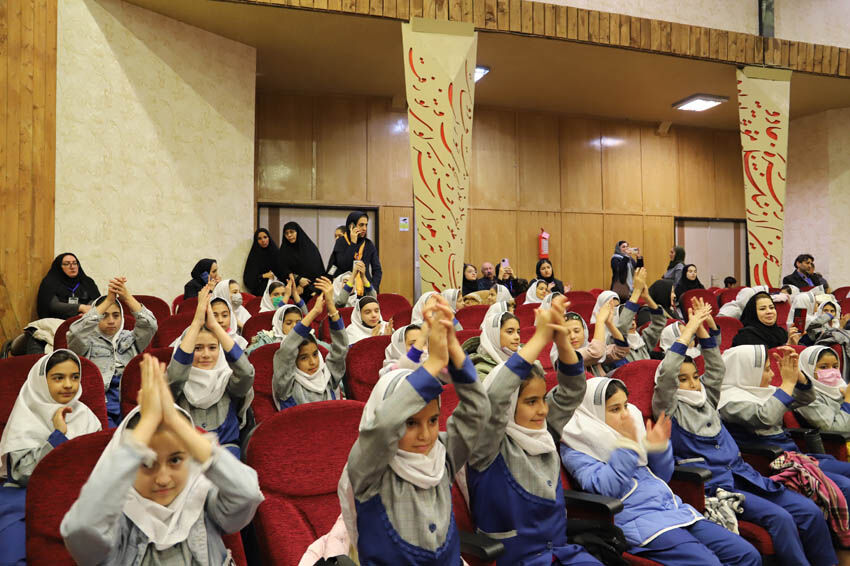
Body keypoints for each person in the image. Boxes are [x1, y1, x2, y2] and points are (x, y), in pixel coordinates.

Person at [654, 304, 837, 566]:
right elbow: (667, 375)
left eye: (695, 377)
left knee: (808, 510)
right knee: (781, 518)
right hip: (717, 486)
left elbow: (715, 369)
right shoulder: (669, 408)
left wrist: (703, 331)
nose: (693, 384)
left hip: (745, 475)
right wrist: (690, 329)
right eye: (684, 380)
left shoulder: (707, 398)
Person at [60, 355, 263, 565]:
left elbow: (247, 493)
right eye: (146, 464)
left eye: (175, 460)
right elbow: (80, 529)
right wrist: (147, 423)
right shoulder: (116, 524)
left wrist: (176, 421)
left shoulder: (202, 502)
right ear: (128, 466)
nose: (163, 479)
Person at [338, 298, 490, 563]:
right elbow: (384, 425)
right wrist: (433, 363)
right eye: (410, 423)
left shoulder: (442, 455)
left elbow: (478, 409)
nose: (426, 435)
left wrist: (452, 346)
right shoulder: (370, 470)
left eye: (433, 421)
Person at [561, 377, 760, 566]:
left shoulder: (627, 433)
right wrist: (627, 446)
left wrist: (659, 449)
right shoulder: (577, 445)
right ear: (593, 413)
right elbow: (606, 489)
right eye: (615, 409)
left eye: (626, 406)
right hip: (639, 523)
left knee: (747, 554)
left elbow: (663, 477)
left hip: (674, 510)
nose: (625, 414)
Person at [466, 295, 601, 565]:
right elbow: (495, 397)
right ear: (509, 406)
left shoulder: (543, 431)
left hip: (561, 553)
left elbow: (573, 390)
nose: (543, 410)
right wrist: (539, 337)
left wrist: (561, 339)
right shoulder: (487, 444)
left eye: (542, 399)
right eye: (531, 402)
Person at [0, 350, 102, 565]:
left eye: (75, 377)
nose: (68, 385)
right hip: (25, 495)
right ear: (41, 382)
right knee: (14, 550)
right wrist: (58, 436)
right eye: (58, 378)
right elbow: (21, 474)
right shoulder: (26, 415)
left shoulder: (86, 416)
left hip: (79, 491)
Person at [719, 345, 850, 505]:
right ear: (746, 373)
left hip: (796, 457)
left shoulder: (761, 391)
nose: (773, 374)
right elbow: (766, 417)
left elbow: (805, 398)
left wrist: (798, 376)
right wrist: (787, 383)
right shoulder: (729, 402)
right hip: (774, 464)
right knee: (844, 486)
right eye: (767, 370)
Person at [167, 286, 255, 458]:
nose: (206, 355)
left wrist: (215, 327)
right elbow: (175, 376)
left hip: (227, 456)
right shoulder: (180, 383)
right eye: (198, 348)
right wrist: (196, 323)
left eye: (213, 348)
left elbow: (246, 373)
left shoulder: (226, 380)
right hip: (188, 457)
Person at [67, 277, 158, 427]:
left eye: (116, 315)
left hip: (130, 397)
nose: (111, 321)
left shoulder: (131, 338)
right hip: (102, 400)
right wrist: (108, 300)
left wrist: (126, 297)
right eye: (105, 315)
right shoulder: (86, 340)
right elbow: (76, 333)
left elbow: (150, 325)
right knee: (112, 435)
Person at [272, 277, 348, 409]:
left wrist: (331, 306)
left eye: (315, 354)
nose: (313, 362)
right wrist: (314, 312)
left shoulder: (328, 376)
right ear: (293, 361)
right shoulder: (286, 385)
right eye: (303, 358)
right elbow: (286, 350)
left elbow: (341, 348)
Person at [794, 346, 850, 434]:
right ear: (808, 368)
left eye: (835, 366)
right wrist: (848, 399)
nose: (832, 371)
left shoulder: (841, 386)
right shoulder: (806, 399)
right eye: (823, 367)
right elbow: (837, 430)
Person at [617, 268, 667, 362]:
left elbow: (659, 324)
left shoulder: (643, 342)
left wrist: (646, 297)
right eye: (629, 319)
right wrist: (636, 291)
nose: (632, 323)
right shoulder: (613, 344)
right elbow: (622, 328)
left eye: (633, 319)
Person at [326, 211, 382, 292]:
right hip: (345, 290)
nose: (365, 228)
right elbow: (344, 265)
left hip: (365, 290)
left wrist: (373, 288)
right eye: (361, 225)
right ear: (351, 226)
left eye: (366, 225)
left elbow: (377, 270)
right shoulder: (341, 242)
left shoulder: (369, 244)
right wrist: (353, 243)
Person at [36, 253, 100, 319]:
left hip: (85, 318)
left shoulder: (87, 281)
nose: (72, 267)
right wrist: (80, 307)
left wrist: (86, 312)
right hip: (58, 320)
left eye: (75, 263)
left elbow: (96, 300)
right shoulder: (50, 282)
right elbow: (53, 305)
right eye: (67, 264)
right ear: (59, 267)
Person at [731, 291, 798, 349]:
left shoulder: (782, 332)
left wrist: (795, 343)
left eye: (771, 307)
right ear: (754, 313)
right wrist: (788, 346)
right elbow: (764, 358)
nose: (769, 312)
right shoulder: (746, 335)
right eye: (762, 309)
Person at [278, 222, 326, 298]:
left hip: (311, 290)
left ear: (298, 232)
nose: (289, 235)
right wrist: (299, 280)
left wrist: (303, 286)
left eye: (291, 232)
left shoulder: (310, 248)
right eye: (286, 233)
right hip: (292, 291)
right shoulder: (283, 251)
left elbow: (316, 270)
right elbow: (282, 270)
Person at [243, 228, 282, 296]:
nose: (263, 240)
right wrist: (263, 276)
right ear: (256, 241)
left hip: (278, 292)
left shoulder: (277, 254)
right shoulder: (254, 257)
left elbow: (283, 272)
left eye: (265, 237)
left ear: (269, 238)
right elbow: (249, 279)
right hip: (261, 294)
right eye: (259, 238)